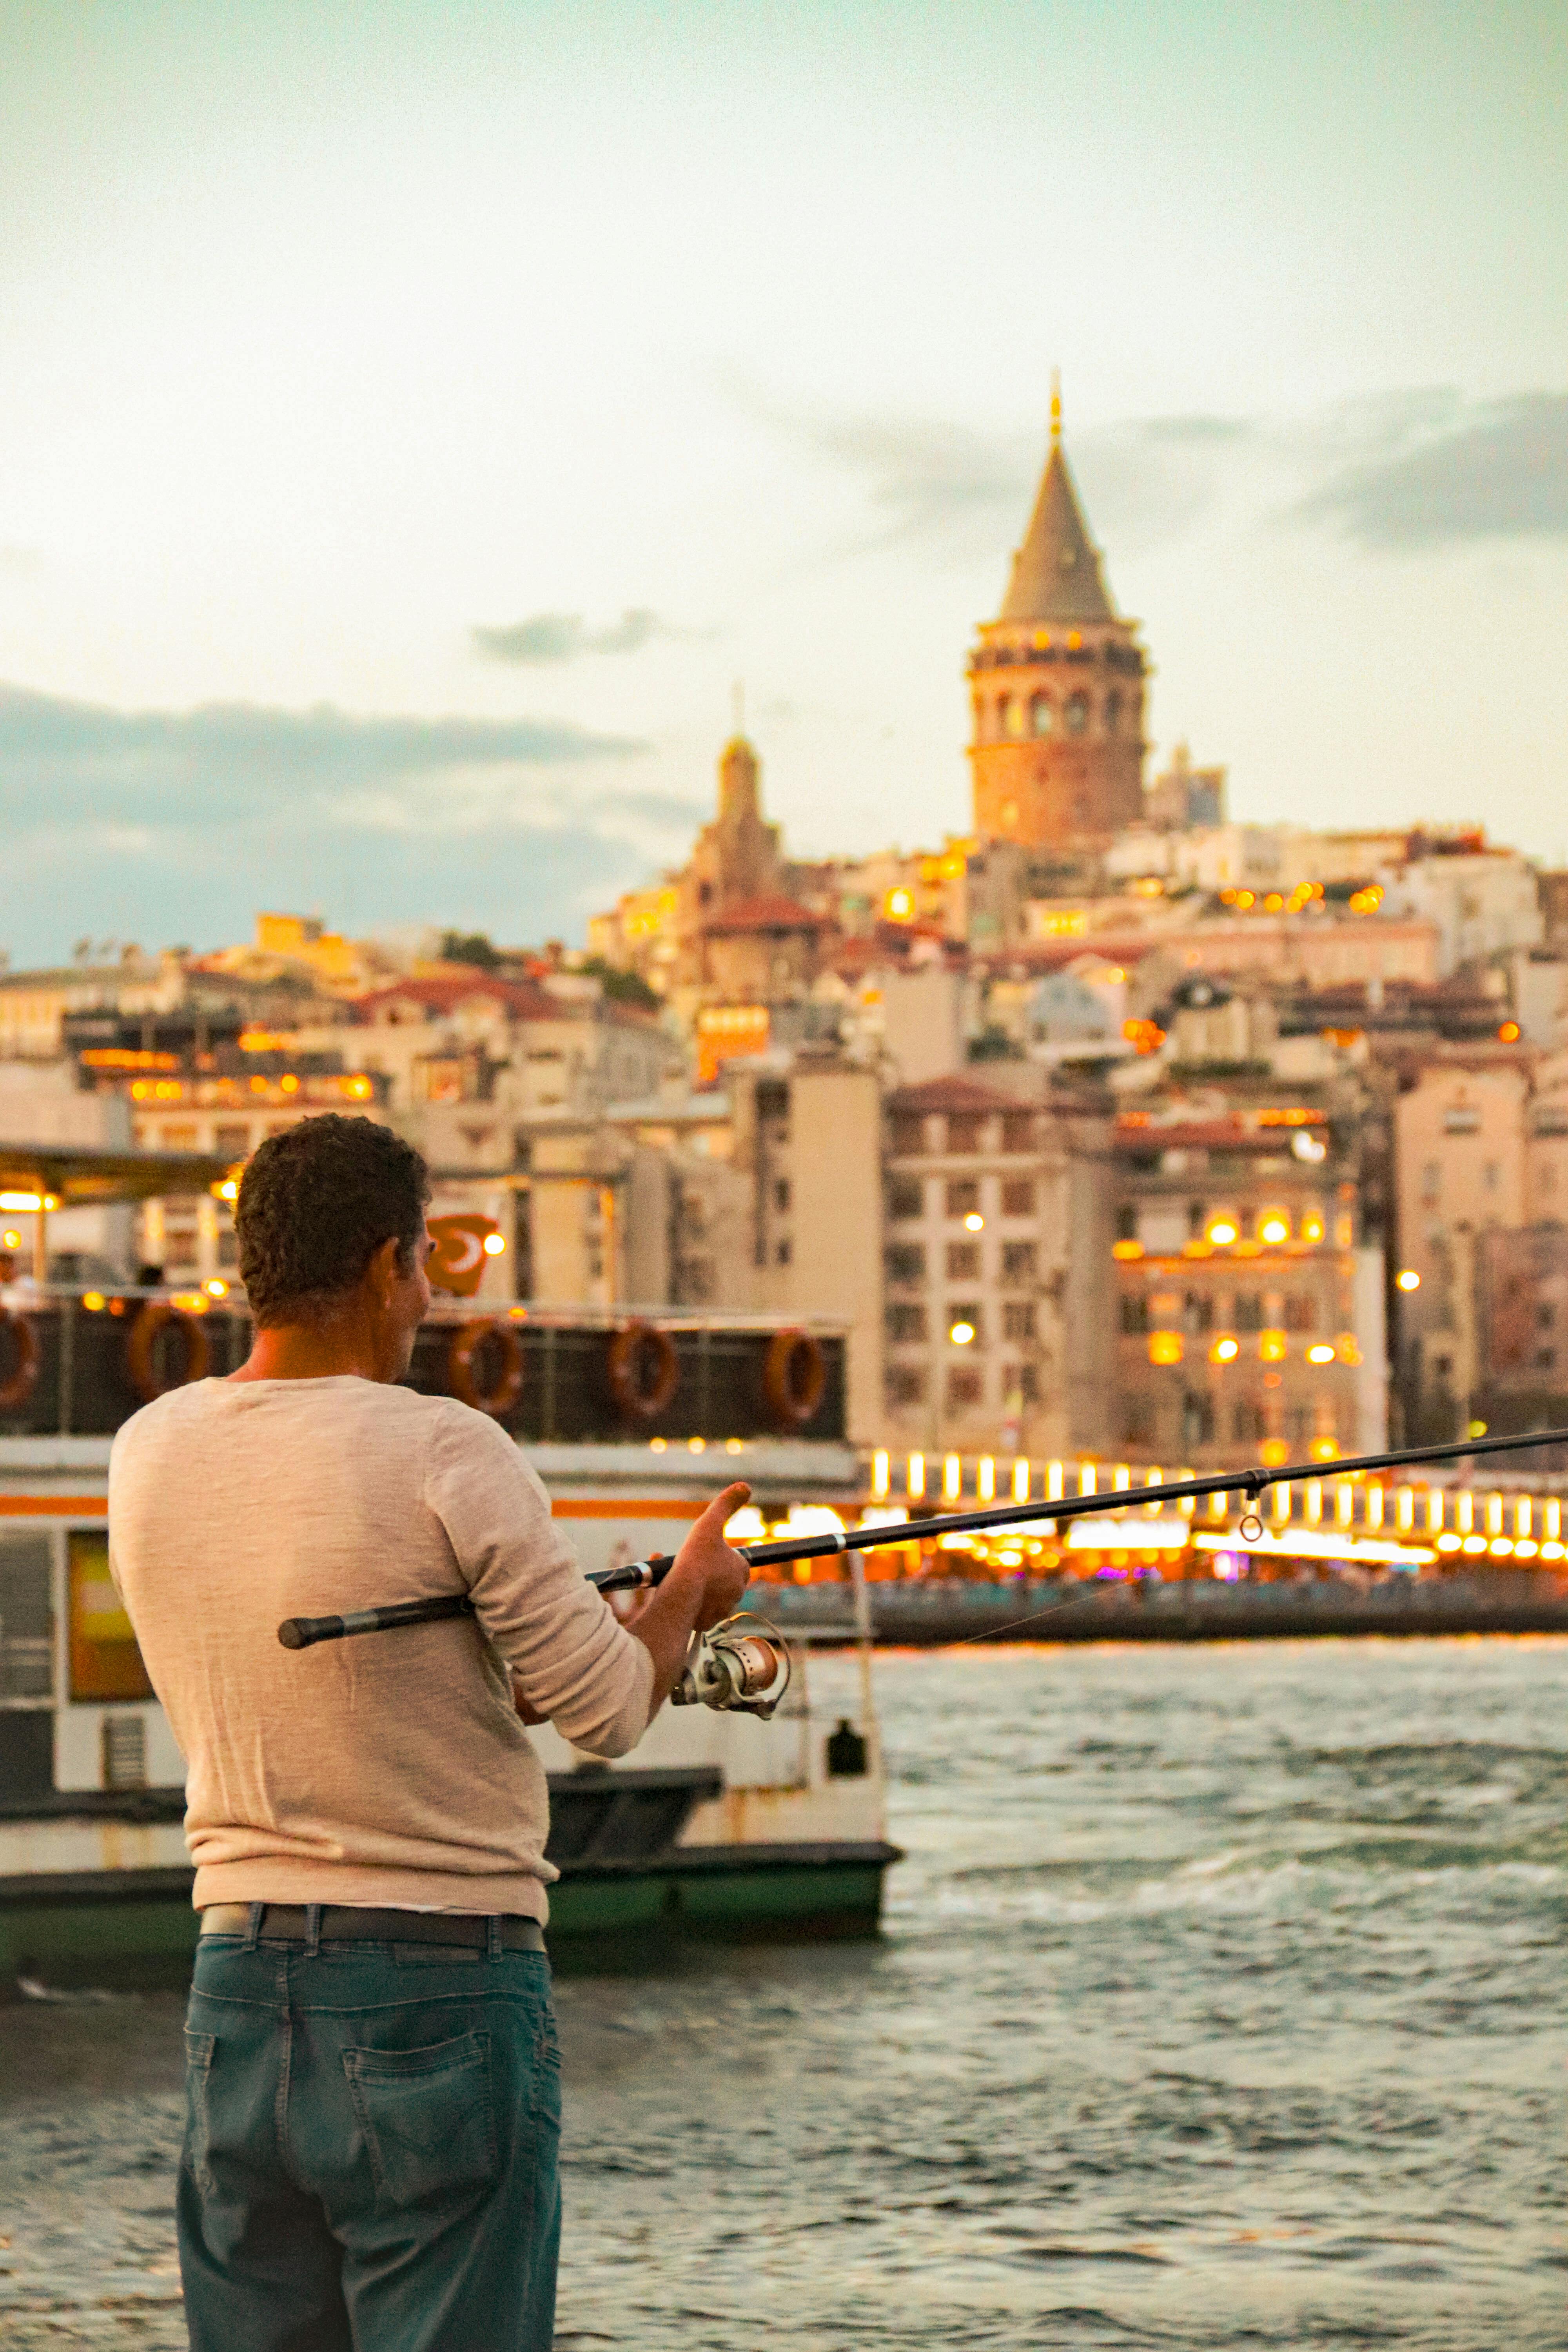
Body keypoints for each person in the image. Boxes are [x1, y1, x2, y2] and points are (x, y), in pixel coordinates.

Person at [108, 1114, 748, 2351]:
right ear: (386, 1263)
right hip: (439, 1995)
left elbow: (333, 1684)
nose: (428, 1300)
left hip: (233, 1995)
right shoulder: (447, 1444)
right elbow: (612, 1708)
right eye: (425, 1269)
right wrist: (685, 1604)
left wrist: (513, 1662)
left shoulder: (150, 1449)